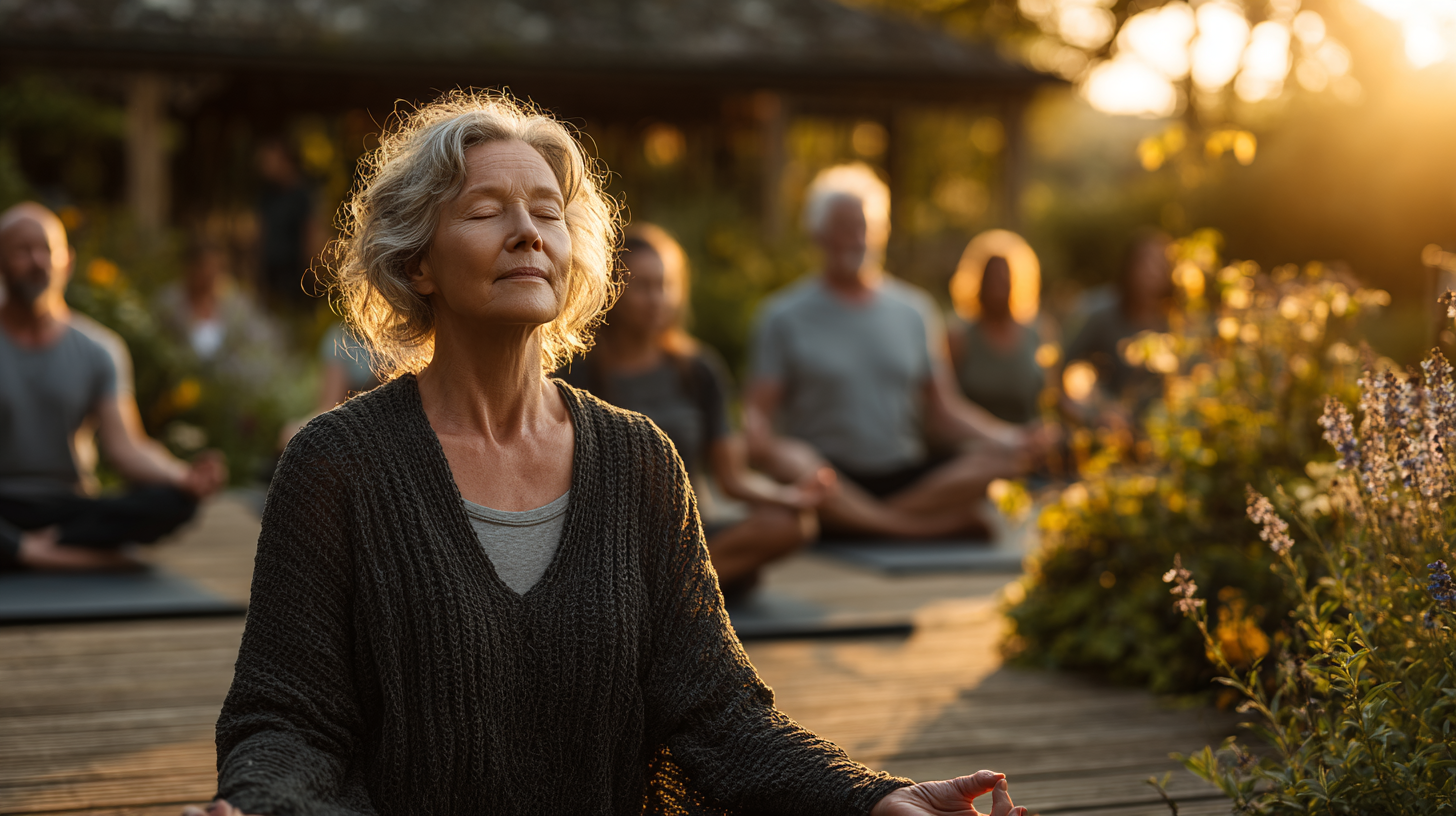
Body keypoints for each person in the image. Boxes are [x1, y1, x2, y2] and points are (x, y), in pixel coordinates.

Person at [183, 93, 1028, 816]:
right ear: (418, 262)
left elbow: (718, 716)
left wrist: (869, 798)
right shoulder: (339, 464)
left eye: (547, 212)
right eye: (486, 212)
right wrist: (265, 805)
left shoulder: (638, 462)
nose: (528, 233)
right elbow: (285, 719)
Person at [745, 164, 1042, 540]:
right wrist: (757, 441)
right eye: (842, 227)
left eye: (864, 227)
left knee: (1009, 459)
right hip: (826, 473)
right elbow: (759, 414)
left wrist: (1011, 438)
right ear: (817, 235)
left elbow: (944, 411)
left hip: (905, 473)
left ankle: (865, 522)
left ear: (880, 234)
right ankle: (909, 528)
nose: (855, 238)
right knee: (789, 458)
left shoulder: (915, 310)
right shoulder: (782, 316)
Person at [559, 223, 833, 601]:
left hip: (688, 536)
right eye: (644, 287)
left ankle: (657, 600)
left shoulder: (699, 370)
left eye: (666, 285)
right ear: (613, 291)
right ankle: (686, 594)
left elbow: (732, 480)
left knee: (792, 525)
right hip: (608, 541)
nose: (658, 298)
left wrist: (788, 497)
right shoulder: (574, 372)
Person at [0, 203, 227, 571]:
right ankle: (37, 552)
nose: (37, 260)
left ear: (67, 263)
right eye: (22, 250)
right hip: (4, 505)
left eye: (47, 250)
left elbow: (126, 448)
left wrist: (181, 476)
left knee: (173, 502)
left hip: (68, 509)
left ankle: (40, 548)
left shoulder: (99, 349)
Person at [1063, 229, 1174, 408]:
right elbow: (1067, 366)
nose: (1152, 272)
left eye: (1160, 264)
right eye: (1145, 263)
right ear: (1128, 266)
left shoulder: (1176, 322)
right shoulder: (1098, 313)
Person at [155, 236, 283, 384]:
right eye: (204, 268)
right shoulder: (168, 305)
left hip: (228, 389)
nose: (209, 275)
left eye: (215, 268)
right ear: (189, 267)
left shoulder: (236, 305)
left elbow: (260, 339)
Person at [947, 242, 1046, 426]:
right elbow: (947, 403)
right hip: (976, 443)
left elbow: (1053, 397)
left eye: (1004, 276)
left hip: (1028, 443)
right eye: (991, 277)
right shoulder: (959, 338)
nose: (997, 283)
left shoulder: (1037, 334)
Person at [254, 137, 325, 312]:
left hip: (296, 276)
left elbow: (310, 235)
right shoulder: (267, 194)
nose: (264, 166)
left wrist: (312, 276)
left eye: (268, 160)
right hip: (272, 274)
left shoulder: (302, 194)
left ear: (285, 160)